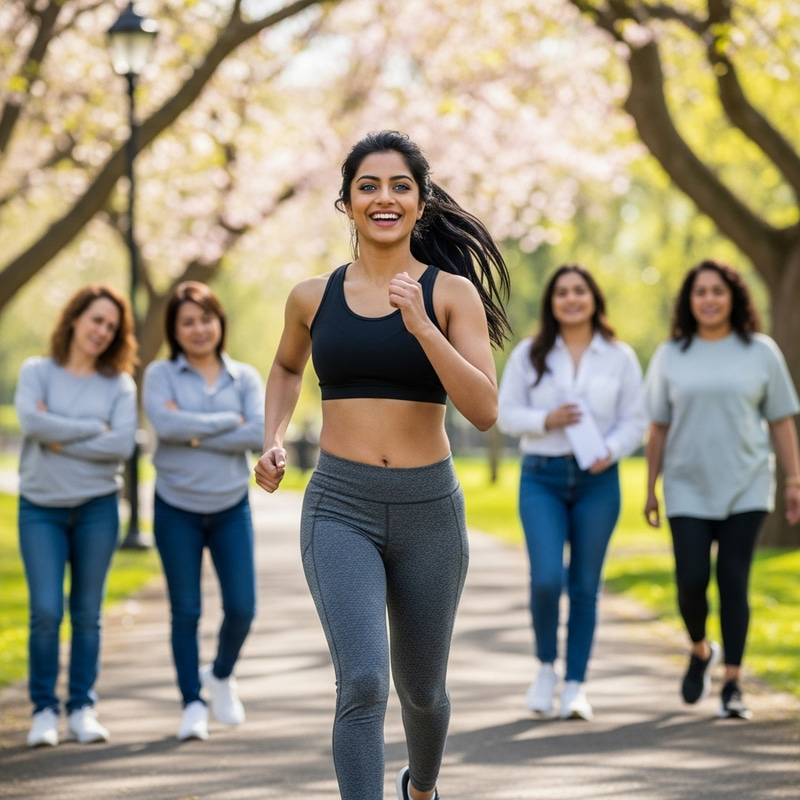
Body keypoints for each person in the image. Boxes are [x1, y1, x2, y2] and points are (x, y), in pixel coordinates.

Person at [254, 130, 510, 800]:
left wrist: (422, 326)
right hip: (340, 506)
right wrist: (272, 437)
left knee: (423, 691)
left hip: (430, 510)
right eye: (368, 186)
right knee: (363, 681)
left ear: (421, 202)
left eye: (400, 186)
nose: (384, 198)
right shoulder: (312, 297)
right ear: (346, 202)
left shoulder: (451, 294)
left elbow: (485, 409)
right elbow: (286, 367)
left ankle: (421, 788)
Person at [644, 259, 800, 719]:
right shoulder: (671, 354)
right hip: (686, 485)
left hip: (746, 483)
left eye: (718, 291)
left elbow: (781, 420)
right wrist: (651, 488)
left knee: (734, 579)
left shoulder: (761, 352)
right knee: (691, 581)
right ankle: (700, 650)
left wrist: (794, 480)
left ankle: (732, 682)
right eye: (700, 292)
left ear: (734, 297)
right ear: (689, 301)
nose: (709, 299)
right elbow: (658, 427)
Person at [497, 264, 647, 721]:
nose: (571, 299)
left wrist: (611, 450)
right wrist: (547, 420)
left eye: (580, 291)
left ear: (594, 299)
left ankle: (576, 686)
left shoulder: (619, 357)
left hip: (597, 481)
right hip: (541, 477)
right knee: (546, 578)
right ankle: (546, 667)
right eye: (562, 292)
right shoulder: (530, 354)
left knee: (584, 586)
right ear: (552, 302)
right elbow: (504, 413)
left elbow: (635, 420)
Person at [15, 283, 138, 748]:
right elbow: (32, 423)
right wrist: (92, 429)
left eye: (111, 326)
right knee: (46, 612)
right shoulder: (37, 371)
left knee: (87, 613)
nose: (102, 331)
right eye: (96, 320)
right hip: (40, 509)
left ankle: (82, 707)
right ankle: (44, 710)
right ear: (74, 319)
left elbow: (120, 444)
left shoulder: (120, 385)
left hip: (96, 509)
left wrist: (59, 437)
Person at [143, 281, 264, 741]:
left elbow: (256, 432)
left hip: (231, 506)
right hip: (176, 508)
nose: (199, 329)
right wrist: (227, 422)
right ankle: (192, 702)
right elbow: (165, 425)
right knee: (186, 610)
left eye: (206, 319)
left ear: (220, 322)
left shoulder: (244, 378)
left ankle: (220, 674)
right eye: (187, 322)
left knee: (242, 607)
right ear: (174, 330)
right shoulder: (160, 375)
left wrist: (193, 431)